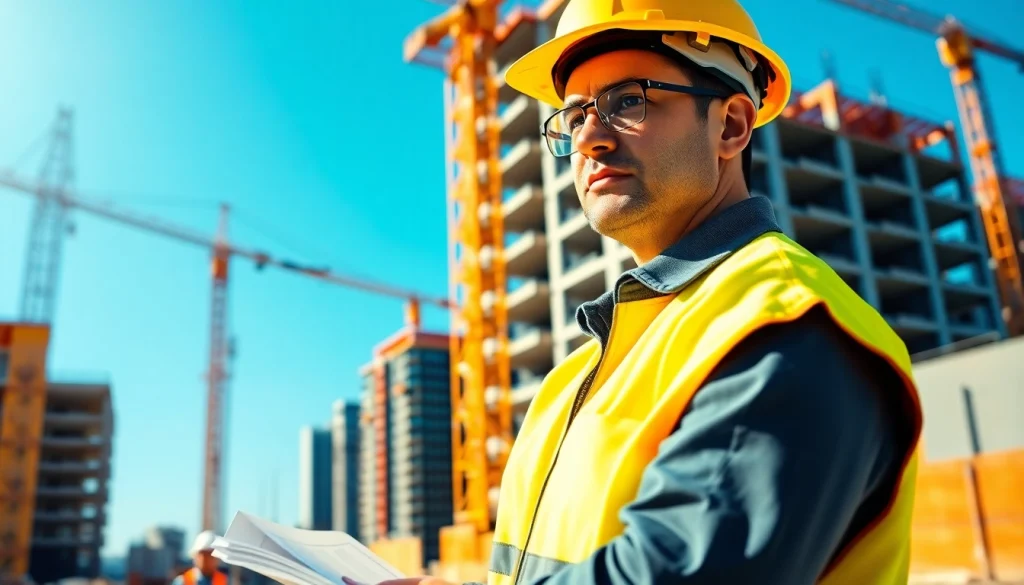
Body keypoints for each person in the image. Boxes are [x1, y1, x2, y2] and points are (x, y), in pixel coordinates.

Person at [367, 1, 922, 584]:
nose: (589, 140)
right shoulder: (569, 383)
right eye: (574, 116)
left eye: (627, 100)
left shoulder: (787, 322)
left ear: (731, 125)